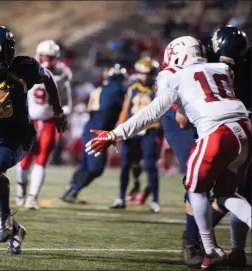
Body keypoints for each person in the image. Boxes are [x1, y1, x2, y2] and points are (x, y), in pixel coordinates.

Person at [85, 36, 251, 270]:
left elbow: (152, 113)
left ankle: (210, 250)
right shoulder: (222, 68)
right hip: (245, 128)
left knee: (195, 189)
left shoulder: (172, 75)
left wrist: (115, 134)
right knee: (226, 194)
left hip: (217, 131)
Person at [0, 25, 67, 254]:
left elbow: (48, 78)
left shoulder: (24, 68)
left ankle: (5, 218)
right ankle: (16, 231)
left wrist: (57, 110)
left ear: (9, 53)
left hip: (18, 136)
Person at [178, 26, 251, 267]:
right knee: (241, 193)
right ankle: (235, 250)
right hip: (245, 134)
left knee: (199, 188)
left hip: (218, 135)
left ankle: (197, 242)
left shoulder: (210, 67)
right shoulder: (242, 66)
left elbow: (182, 120)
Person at [16, 40, 73, 210]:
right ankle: (21, 189)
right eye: (44, 56)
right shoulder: (26, 69)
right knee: (24, 159)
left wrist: (62, 113)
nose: (47, 60)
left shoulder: (63, 74)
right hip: (28, 120)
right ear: (38, 55)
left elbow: (67, 103)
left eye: (51, 57)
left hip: (49, 121)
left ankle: (32, 197)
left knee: (42, 159)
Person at [59, 64, 126, 204]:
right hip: (99, 131)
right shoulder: (117, 90)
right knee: (96, 168)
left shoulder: (98, 88)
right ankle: (74, 190)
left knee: (85, 165)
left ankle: (70, 187)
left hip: (88, 128)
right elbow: (124, 106)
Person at [111, 57, 161, 212]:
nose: (145, 77)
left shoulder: (158, 88)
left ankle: (154, 200)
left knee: (150, 165)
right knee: (125, 164)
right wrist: (118, 129)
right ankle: (121, 197)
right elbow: (125, 109)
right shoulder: (132, 88)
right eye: (142, 73)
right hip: (132, 130)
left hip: (150, 129)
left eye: (148, 73)